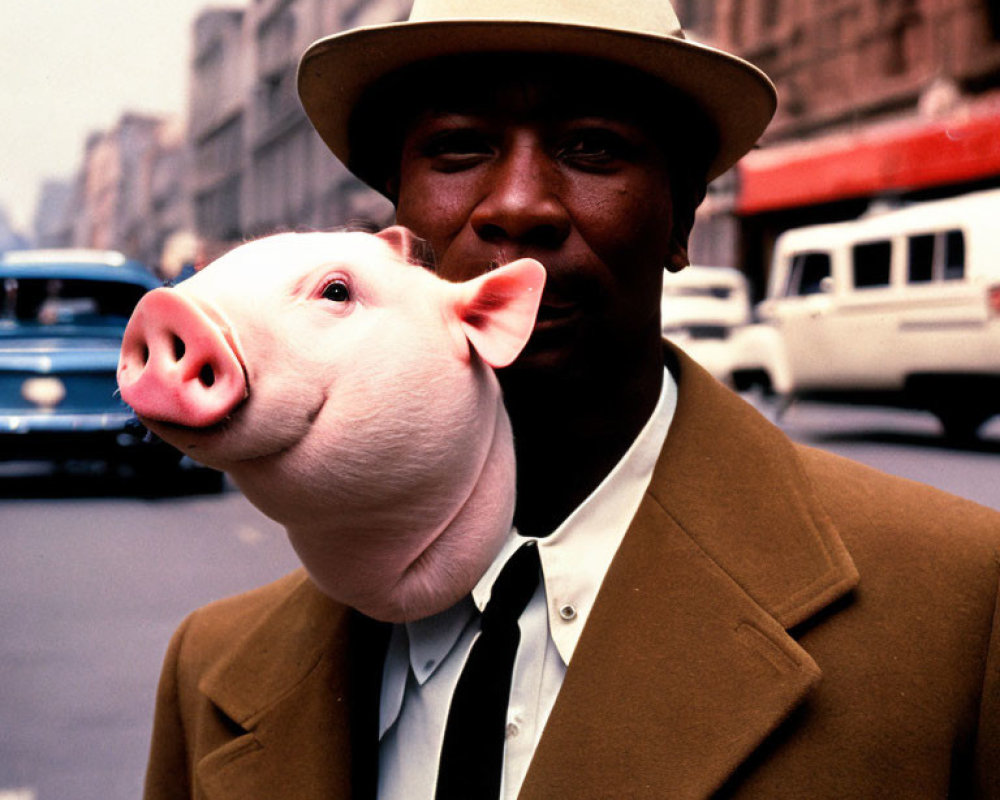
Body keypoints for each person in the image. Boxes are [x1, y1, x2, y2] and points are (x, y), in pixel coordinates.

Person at [143, 1, 1000, 798]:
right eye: (458, 150)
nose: (518, 204)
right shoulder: (212, 669)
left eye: (592, 148)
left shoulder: (955, 611)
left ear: (681, 218)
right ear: (395, 232)